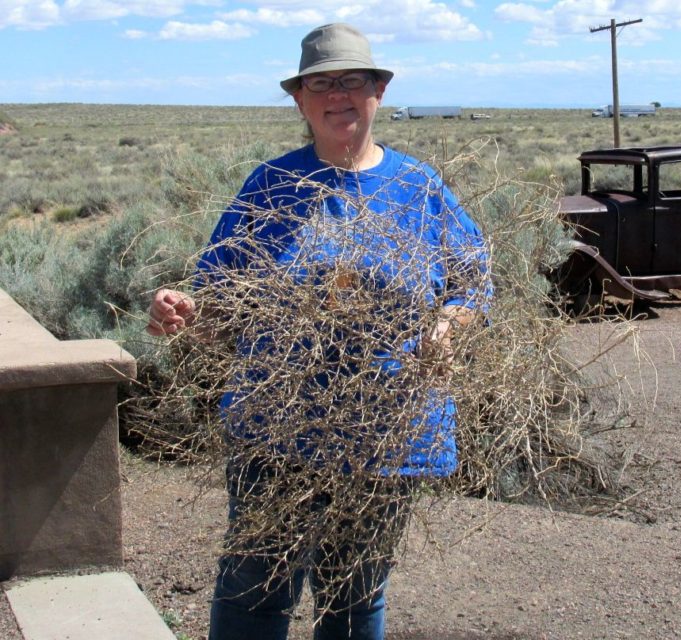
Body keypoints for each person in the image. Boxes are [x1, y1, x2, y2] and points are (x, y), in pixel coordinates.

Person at [147, 22, 491, 640]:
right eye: (321, 83)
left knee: (355, 597)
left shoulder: (420, 188)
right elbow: (222, 301)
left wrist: (446, 323)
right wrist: (184, 313)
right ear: (301, 100)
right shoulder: (270, 187)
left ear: (378, 91)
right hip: (278, 429)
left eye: (352, 80)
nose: (339, 95)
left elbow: (473, 282)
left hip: (385, 428)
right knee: (255, 590)